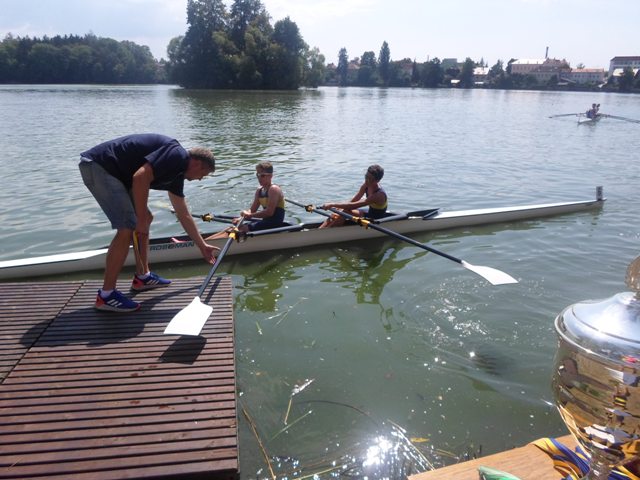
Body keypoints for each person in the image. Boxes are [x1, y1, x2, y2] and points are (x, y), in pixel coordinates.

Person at [79, 133, 220, 312]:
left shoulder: (177, 174)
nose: (200, 179)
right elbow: (140, 177)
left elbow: (183, 214)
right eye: (203, 174)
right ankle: (106, 296)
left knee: (146, 219)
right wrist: (139, 219)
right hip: (99, 166)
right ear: (198, 164)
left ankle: (142, 277)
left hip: (116, 173)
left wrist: (202, 245)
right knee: (127, 227)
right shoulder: (177, 155)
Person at [206, 161, 286, 239]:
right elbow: (252, 210)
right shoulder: (259, 190)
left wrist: (250, 215)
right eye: (257, 175)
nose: (259, 178)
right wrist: (241, 218)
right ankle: (206, 242)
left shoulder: (274, 189)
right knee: (233, 228)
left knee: (240, 229)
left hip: (275, 224)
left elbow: (269, 212)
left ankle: (211, 244)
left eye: (262, 175)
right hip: (265, 222)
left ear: (270, 176)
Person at [319, 164, 387, 228]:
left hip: (376, 218)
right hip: (369, 211)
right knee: (339, 210)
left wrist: (332, 204)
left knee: (345, 212)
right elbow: (354, 200)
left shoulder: (378, 195)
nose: (367, 180)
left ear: (378, 180)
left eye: (370, 179)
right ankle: (320, 230)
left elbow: (353, 205)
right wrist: (339, 208)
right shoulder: (366, 184)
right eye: (366, 177)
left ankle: (327, 232)